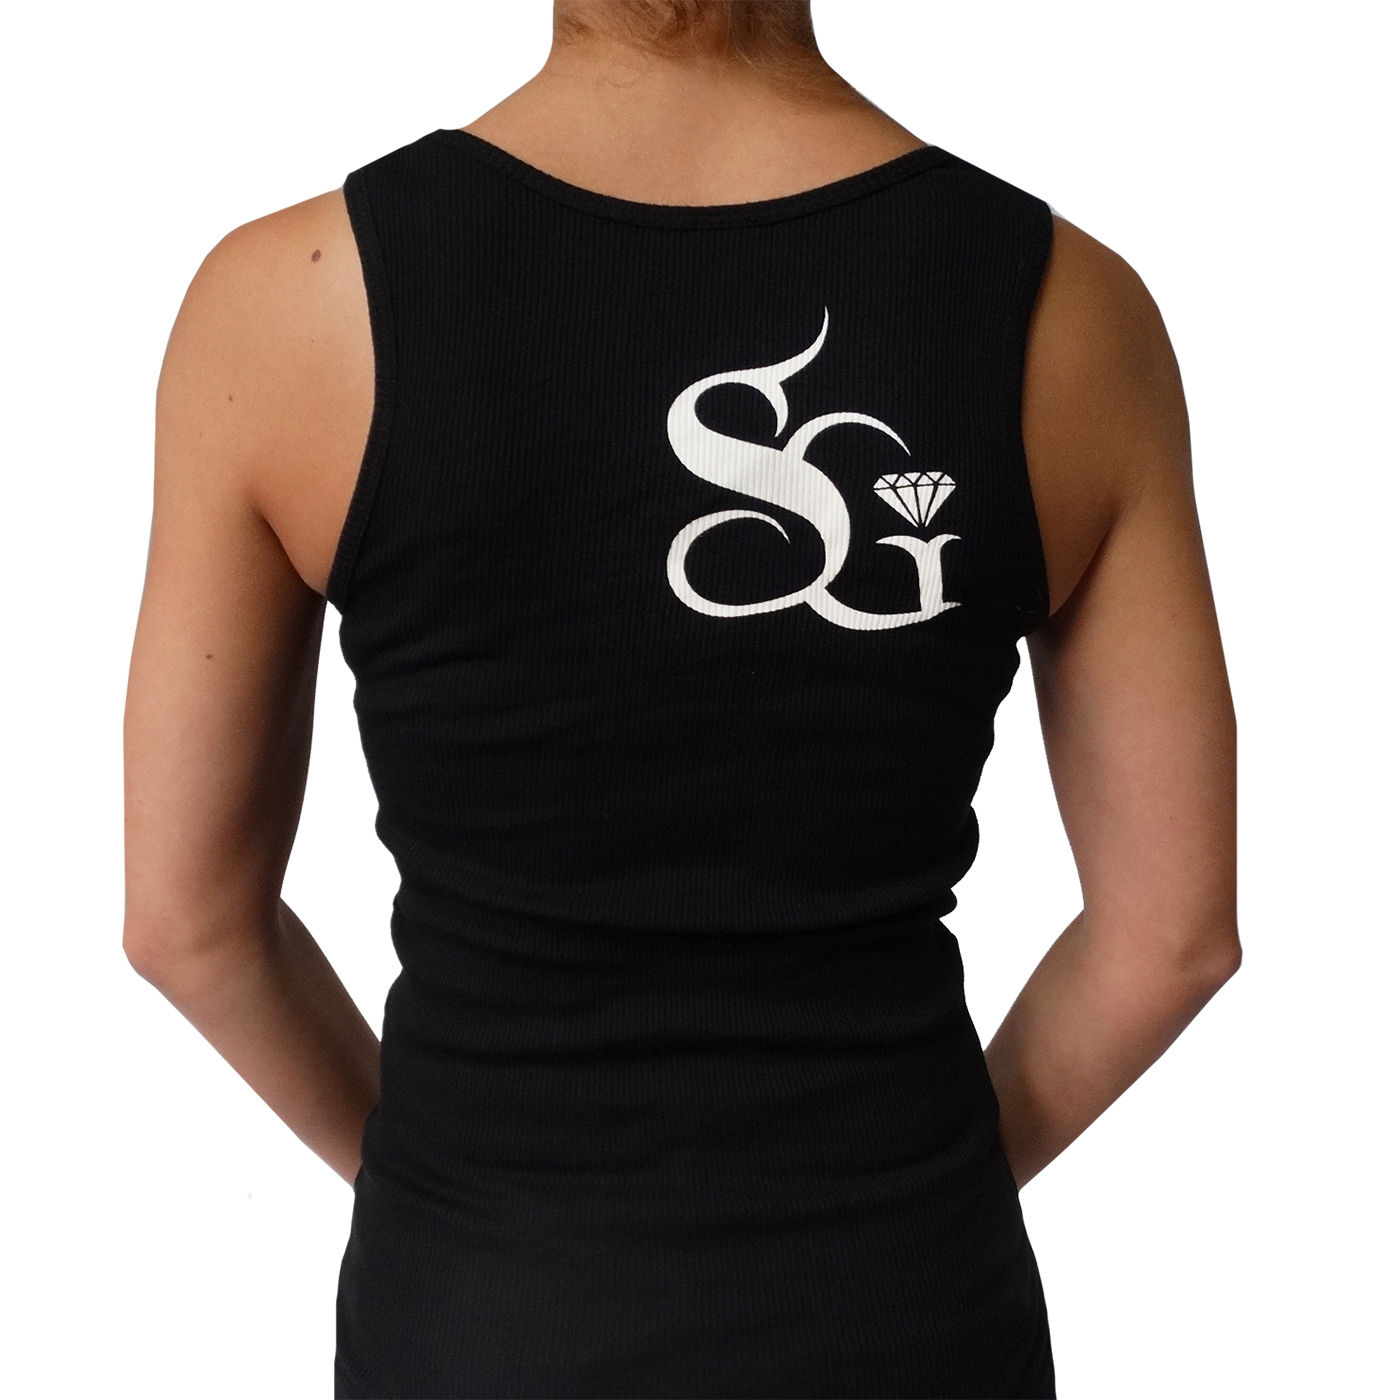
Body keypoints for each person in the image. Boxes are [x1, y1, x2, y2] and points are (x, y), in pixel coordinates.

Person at [122, 2, 1239, 1396]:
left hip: (479, 1320)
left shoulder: (288, 302)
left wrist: (453, 1188)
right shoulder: (1070, 313)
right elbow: (1172, 938)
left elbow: (185, 926)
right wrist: (909, 1190)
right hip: (906, 1311)